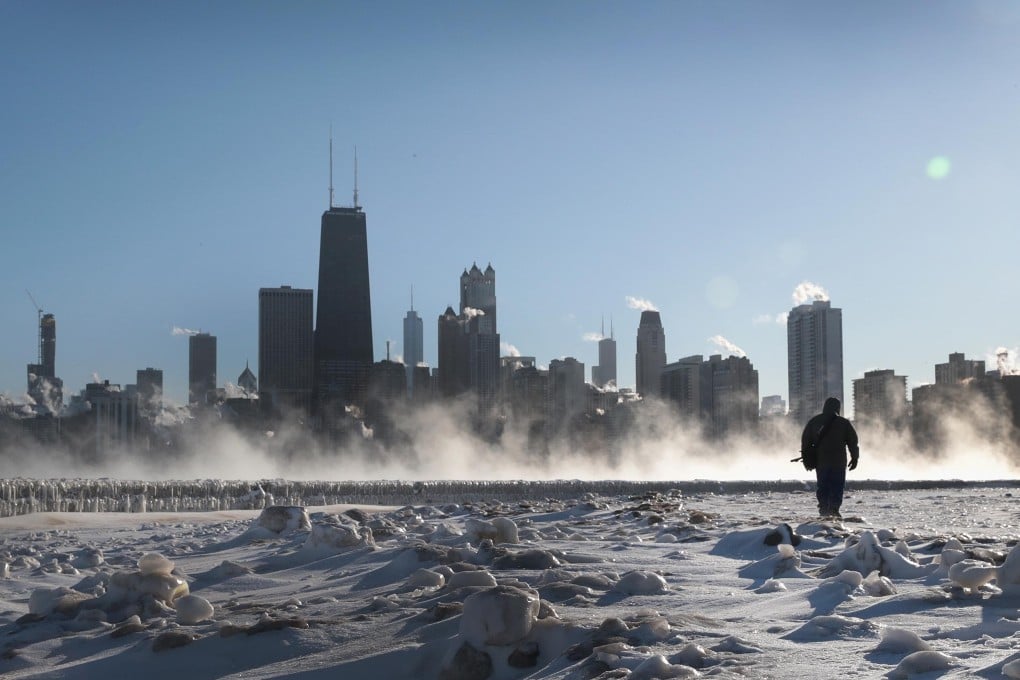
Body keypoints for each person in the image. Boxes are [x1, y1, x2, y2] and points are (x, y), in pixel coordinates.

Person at [800, 397, 859, 518]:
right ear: (838, 408)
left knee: (823, 485)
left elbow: (805, 442)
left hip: (821, 462)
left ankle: (823, 509)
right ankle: (834, 509)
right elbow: (853, 442)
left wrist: (806, 460)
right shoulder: (844, 423)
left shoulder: (814, 421)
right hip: (839, 462)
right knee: (837, 486)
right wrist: (855, 458)